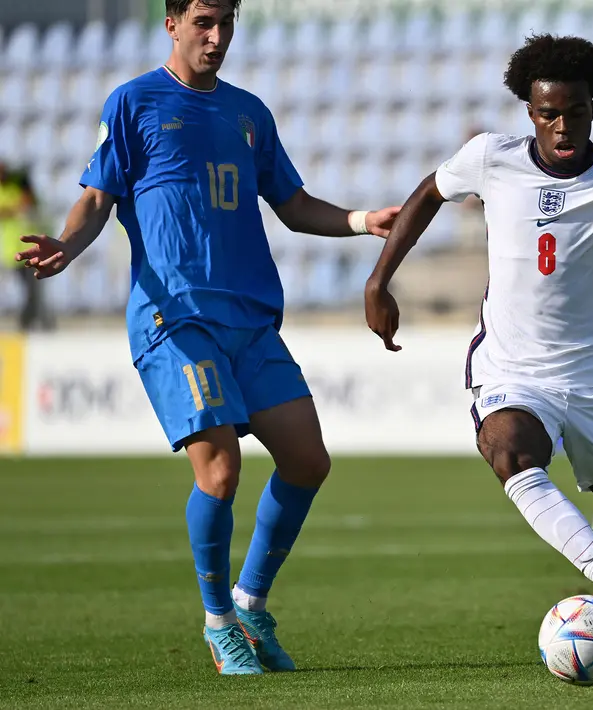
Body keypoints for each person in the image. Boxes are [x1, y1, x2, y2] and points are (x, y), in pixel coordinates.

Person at [15, 0, 400, 676]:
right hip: (175, 317)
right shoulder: (134, 102)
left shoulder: (249, 113)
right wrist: (68, 248)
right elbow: (96, 197)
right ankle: (219, 623)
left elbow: (292, 203)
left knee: (308, 462)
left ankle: (250, 603)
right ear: (172, 22)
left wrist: (363, 218)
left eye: (226, 22)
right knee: (220, 470)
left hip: (250, 318)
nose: (217, 37)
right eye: (203, 22)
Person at [365, 34, 593, 672]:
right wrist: (379, 279)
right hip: (511, 370)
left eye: (575, 112)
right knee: (509, 449)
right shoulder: (490, 157)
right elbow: (428, 191)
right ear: (529, 110)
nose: (561, 127)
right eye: (547, 114)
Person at [0, 163, 52, 331]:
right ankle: (34, 322)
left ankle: (34, 322)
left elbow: (30, 204)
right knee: (30, 290)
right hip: (13, 250)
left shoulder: (20, 185)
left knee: (34, 288)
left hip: (31, 247)